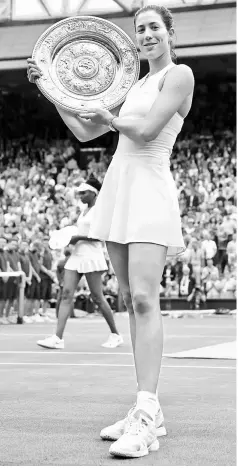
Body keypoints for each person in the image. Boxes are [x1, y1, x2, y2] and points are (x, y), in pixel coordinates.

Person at [27, 4, 194, 458]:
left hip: (150, 186)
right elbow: (84, 130)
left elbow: (144, 130)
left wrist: (109, 117)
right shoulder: (133, 83)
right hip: (120, 187)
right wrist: (50, 86)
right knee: (128, 299)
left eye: (154, 27)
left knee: (144, 298)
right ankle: (146, 407)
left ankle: (146, 413)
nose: (147, 35)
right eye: (140, 29)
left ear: (169, 32)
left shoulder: (179, 76)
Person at [36, 176, 123, 350]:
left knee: (97, 297)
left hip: (92, 255)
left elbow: (101, 236)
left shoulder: (100, 210)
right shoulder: (84, 211)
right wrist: (68, 237)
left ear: (93, 193)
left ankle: (116, 334)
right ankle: (57, 338)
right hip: (77, 255)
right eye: (80, 193)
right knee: (66, 293)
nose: (80, 195)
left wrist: (77, 238)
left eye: (84, 193)